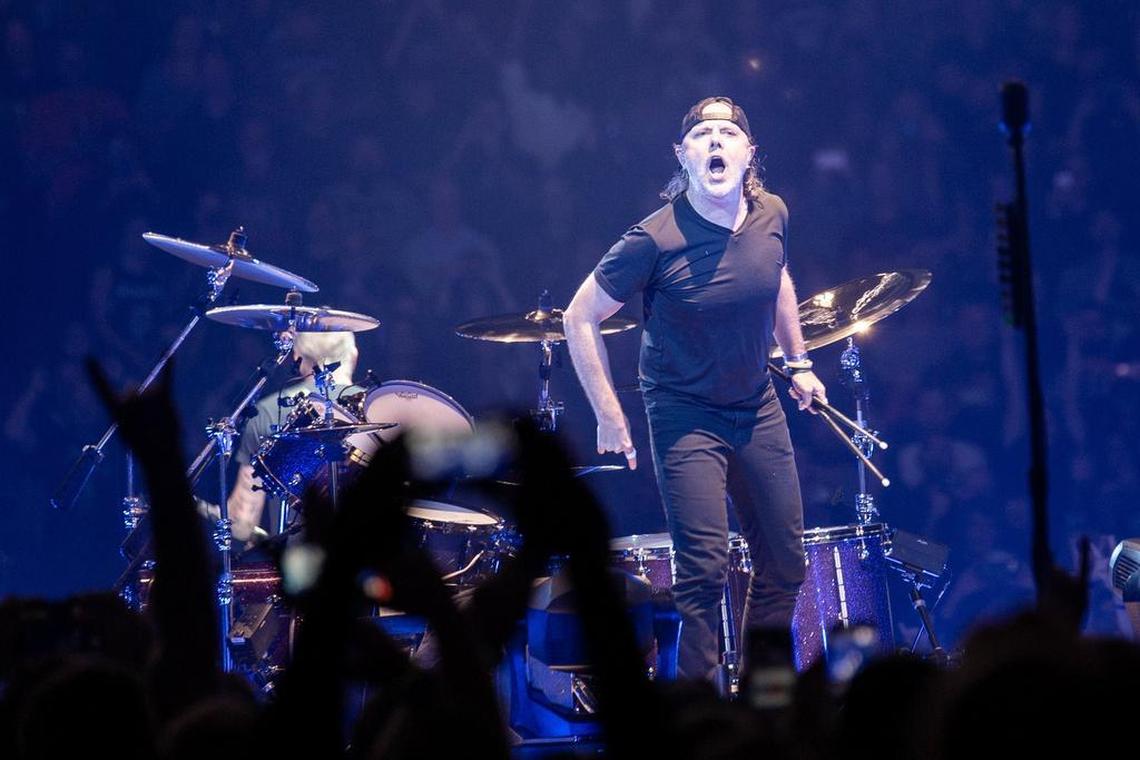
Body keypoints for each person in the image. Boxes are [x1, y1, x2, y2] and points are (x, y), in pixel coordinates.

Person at [563, 96, 828, 682]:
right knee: (703, 570)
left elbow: (778, 275)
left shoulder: (772, 213)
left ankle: (764, 695)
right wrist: (608, 412)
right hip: (686, 414)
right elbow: (578, 317)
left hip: (756, 404)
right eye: (702, 135)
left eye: (727, 134)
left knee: (785, 565)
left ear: (749, 153)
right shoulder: (652, 240)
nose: (715, 142)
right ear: (682, 157)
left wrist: (800, 360)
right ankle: (696, 714)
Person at [226, 330, 359, 543]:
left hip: (297, 563)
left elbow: (243, 522)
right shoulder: (379, 409)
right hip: (369, 561)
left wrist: (202, 509)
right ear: (353, 355)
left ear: (296, 356)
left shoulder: (267, 410)